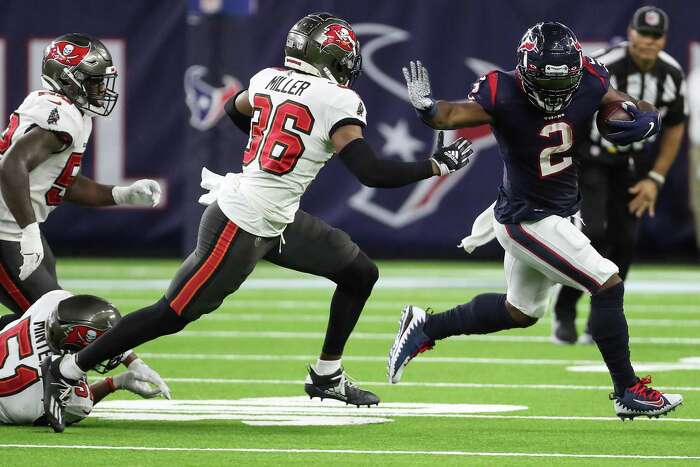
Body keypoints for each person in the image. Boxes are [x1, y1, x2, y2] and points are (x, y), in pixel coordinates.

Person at [41, 12, 473, 432]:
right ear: (330, 58)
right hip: (242, 220)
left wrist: (275, 139)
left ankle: (327, 375)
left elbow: (234, 109)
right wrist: (434, 166)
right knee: (172, 312)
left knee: (360, 272)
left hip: (277, 218)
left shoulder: (268, 78)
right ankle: (68, 367)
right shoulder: (339, 100)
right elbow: (371, 174)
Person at [387, 22, 683, 420]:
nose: (556, 95)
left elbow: (621, 102)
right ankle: (627, 389)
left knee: (521, 312)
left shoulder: (590, 77)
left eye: (564, 85)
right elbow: (452, 113)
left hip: (558, 210)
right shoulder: (501, 89)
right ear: (525, 71)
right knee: (607, 283)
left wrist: (644, 116)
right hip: (527, 218)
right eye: (546, 84)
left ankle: (426, 327)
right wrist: (428, 109)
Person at [0, 33, 162, 328]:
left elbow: (65, 183)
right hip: (7, 232)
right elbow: (11, 167)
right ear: (66, 79)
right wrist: (29, 231)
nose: (101, 88)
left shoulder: (66, 111)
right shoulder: (62, 114)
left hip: (13, 229)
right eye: (93, 80)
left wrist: (123, 195)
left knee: (44, 321)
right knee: (61, 324)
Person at [552, 6, 687, 344]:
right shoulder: (605, 67)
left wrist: (655, 178)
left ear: (664, 40)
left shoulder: (671, 74)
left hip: (632, 166)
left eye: (656, 36)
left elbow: (675, 125)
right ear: (630, 32)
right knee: (592, 233)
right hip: (591, 159)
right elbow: (571, 110)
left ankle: (599, 321)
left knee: (625, 242)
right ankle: (565, 307)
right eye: (644, 33)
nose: (648, 41)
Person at [0, 290, 169, 429]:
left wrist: (133, 362)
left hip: (11, 354)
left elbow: (75, 308)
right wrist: (115, 383)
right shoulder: (76, 400)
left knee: (11, 320)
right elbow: (77, 405)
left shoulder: (53, 301)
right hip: (19, 398)